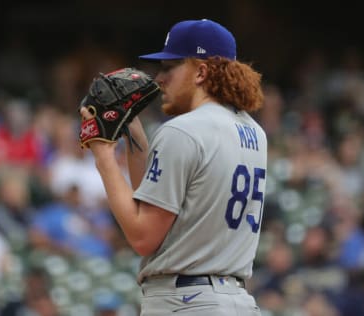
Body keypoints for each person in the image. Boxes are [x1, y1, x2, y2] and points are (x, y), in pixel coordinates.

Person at [80, 18, 267, 315]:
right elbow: (156, 204)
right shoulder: (255, 132)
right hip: (236, 301)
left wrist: (103, 155)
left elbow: (144, 237)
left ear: (201, 71)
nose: (160, 78)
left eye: (170, 67)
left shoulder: (182, 130)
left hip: (187, 302)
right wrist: (135, 134)